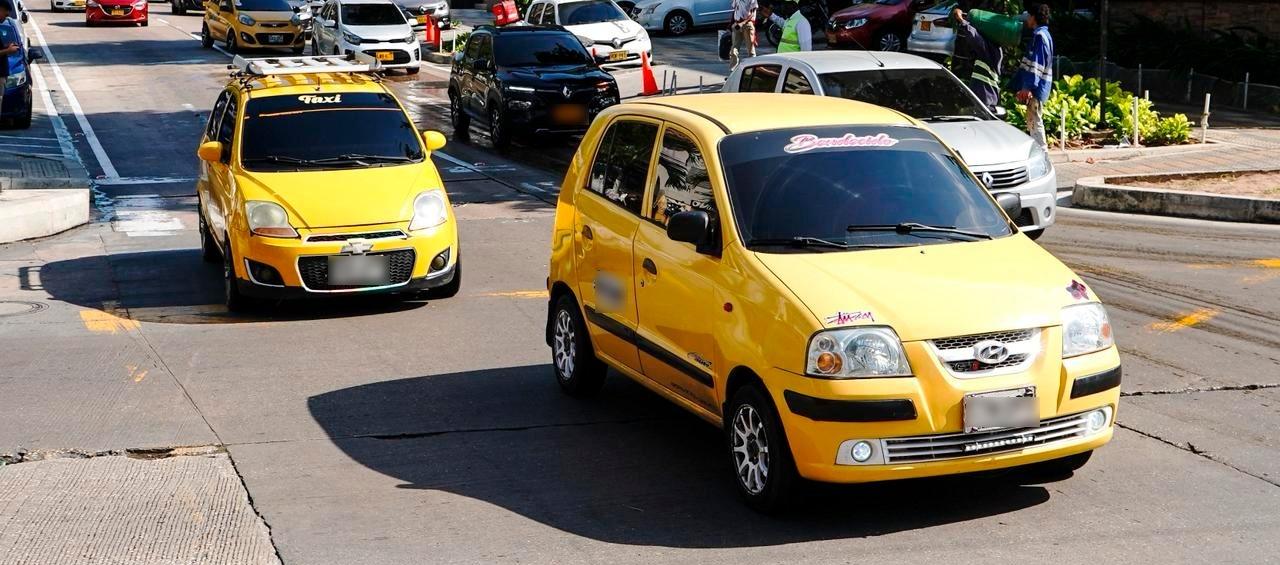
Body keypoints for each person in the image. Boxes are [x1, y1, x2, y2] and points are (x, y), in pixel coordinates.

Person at [1013, 3, 1054, 149]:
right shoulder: (1044, 35)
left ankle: (1042, 154)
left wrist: (1027, 87)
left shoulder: (1039, 36)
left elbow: (1036, 65)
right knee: (1033, 121)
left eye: (1028, 16)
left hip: (1036, 87)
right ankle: (1040, 153)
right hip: (1038, 86)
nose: (1026, 20)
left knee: (1035, 122)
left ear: (1034, 18)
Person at [951, 7, 1003, 108]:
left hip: (986, 101)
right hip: (984, 100)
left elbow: (975, 38)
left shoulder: (991, 49)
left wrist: (961, 20)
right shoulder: (995, 48)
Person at [728, 0, 758, 71]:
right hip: (737, 25)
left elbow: (753, 13)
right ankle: (733, 70)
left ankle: (753, 70)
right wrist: (730, 25)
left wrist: (743, 23)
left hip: (747, 25)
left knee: (751, 50)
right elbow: (735, 11)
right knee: (733, 50)